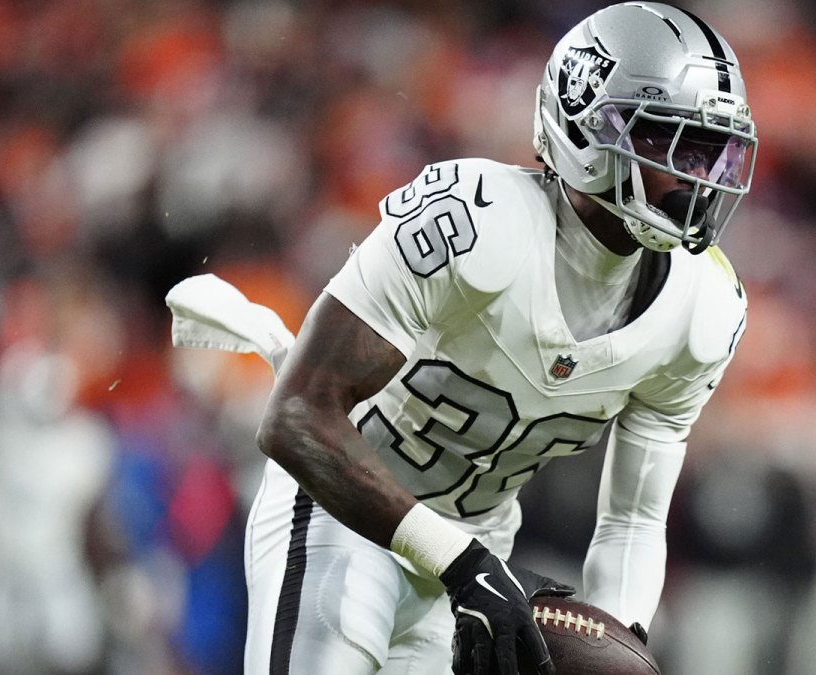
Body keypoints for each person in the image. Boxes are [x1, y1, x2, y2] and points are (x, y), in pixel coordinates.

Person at [247, 3, 758, 673]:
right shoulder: (477, 222)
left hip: (476, 551)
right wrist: (460, 562)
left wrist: (616, 644)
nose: (701, 180)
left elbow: (633, 519)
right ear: (586, 128)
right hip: (343, 514)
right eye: (674, 143)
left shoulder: (704, 306)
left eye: (714, 151)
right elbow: (296, 416)